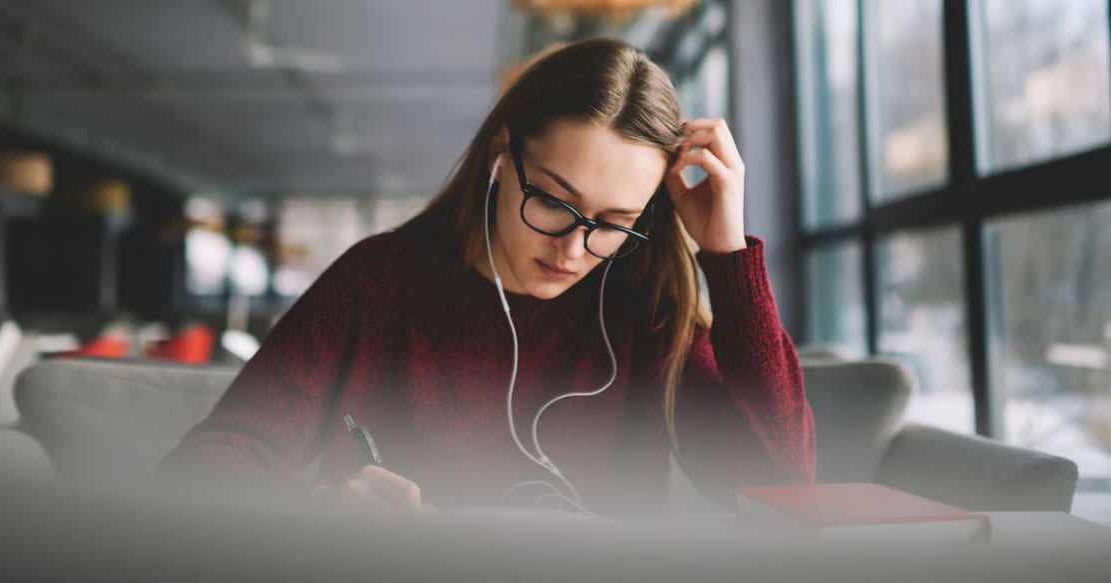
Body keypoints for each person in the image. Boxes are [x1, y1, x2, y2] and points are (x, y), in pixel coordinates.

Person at [156, 37, 814, 515]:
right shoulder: (379, 281)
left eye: (615, 221)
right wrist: (317, 505)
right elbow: (200, 473)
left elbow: (784, 487)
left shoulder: (647, 309)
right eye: (553, 201)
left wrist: (728, 257)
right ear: (501, 154)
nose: (574, 248)